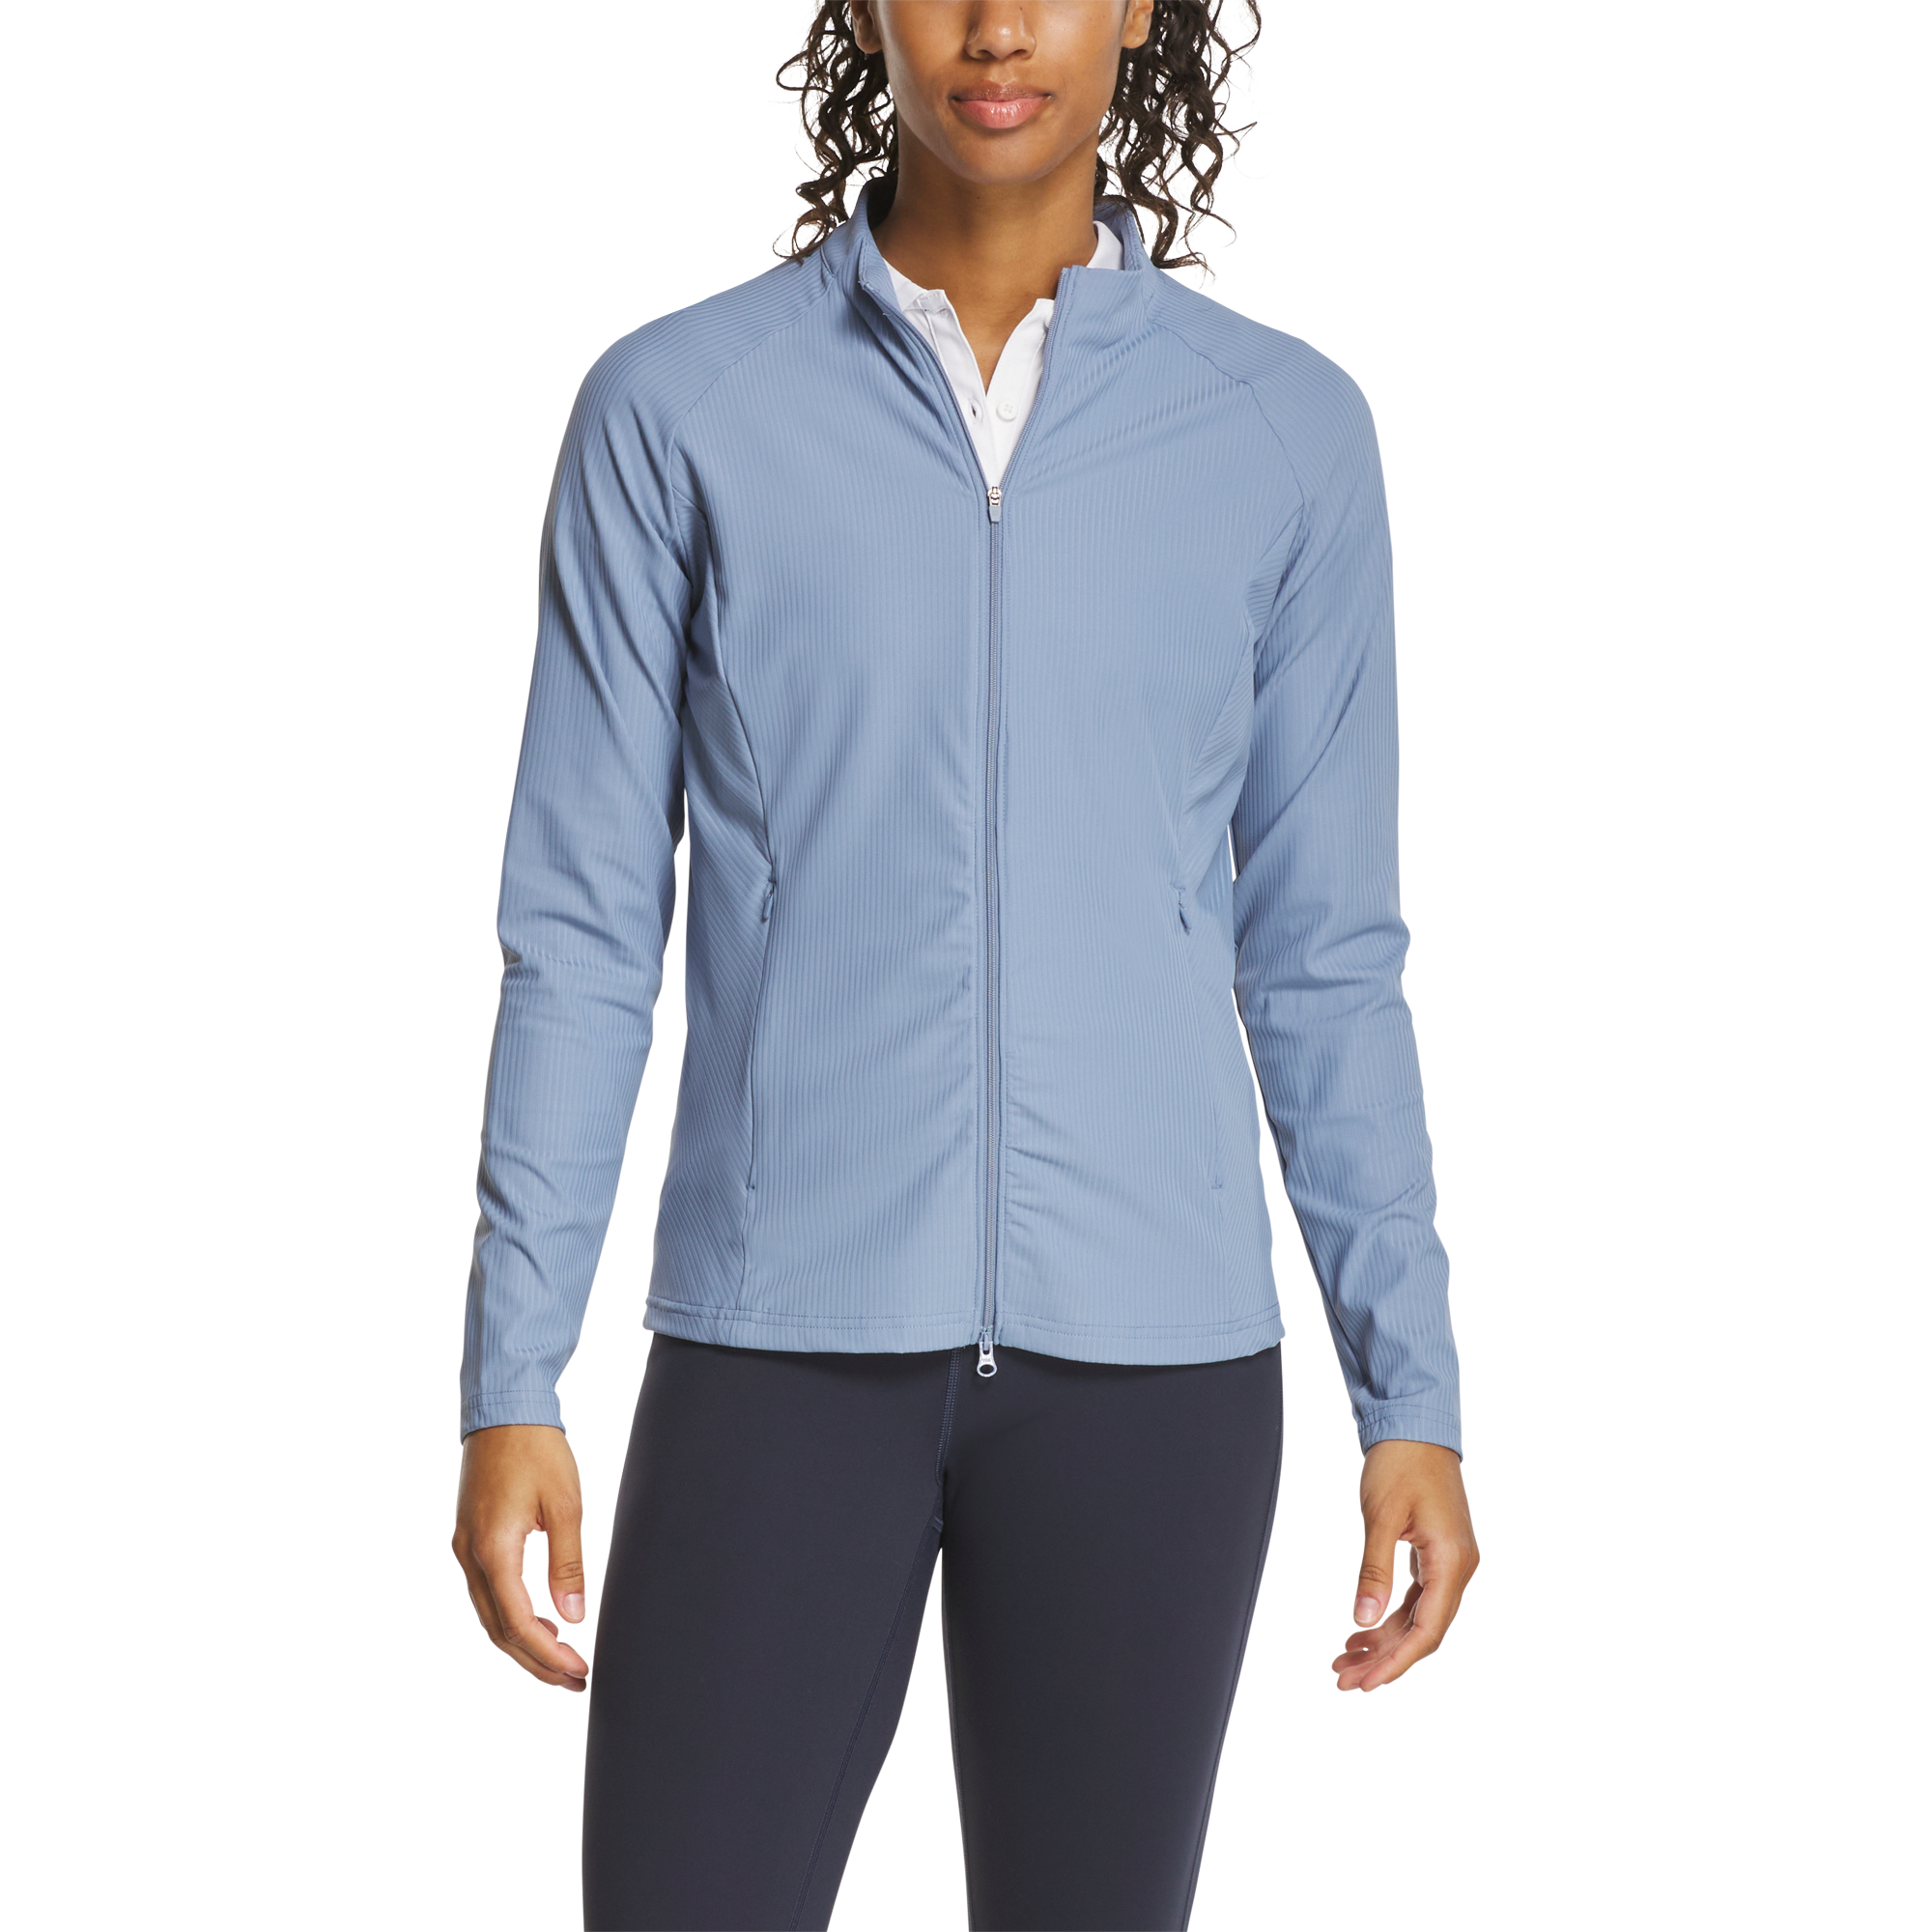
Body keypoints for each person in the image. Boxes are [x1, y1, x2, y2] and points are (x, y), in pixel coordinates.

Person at [451, 1, 1478, 1925]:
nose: (998, 25)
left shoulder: (1284, 435)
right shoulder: (682, 409)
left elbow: (1326, 953)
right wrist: (511, 1374)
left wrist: (1406, 1391)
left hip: (1152, 1383)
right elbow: (582, 925)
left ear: (1142, 10)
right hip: (776, 1353)